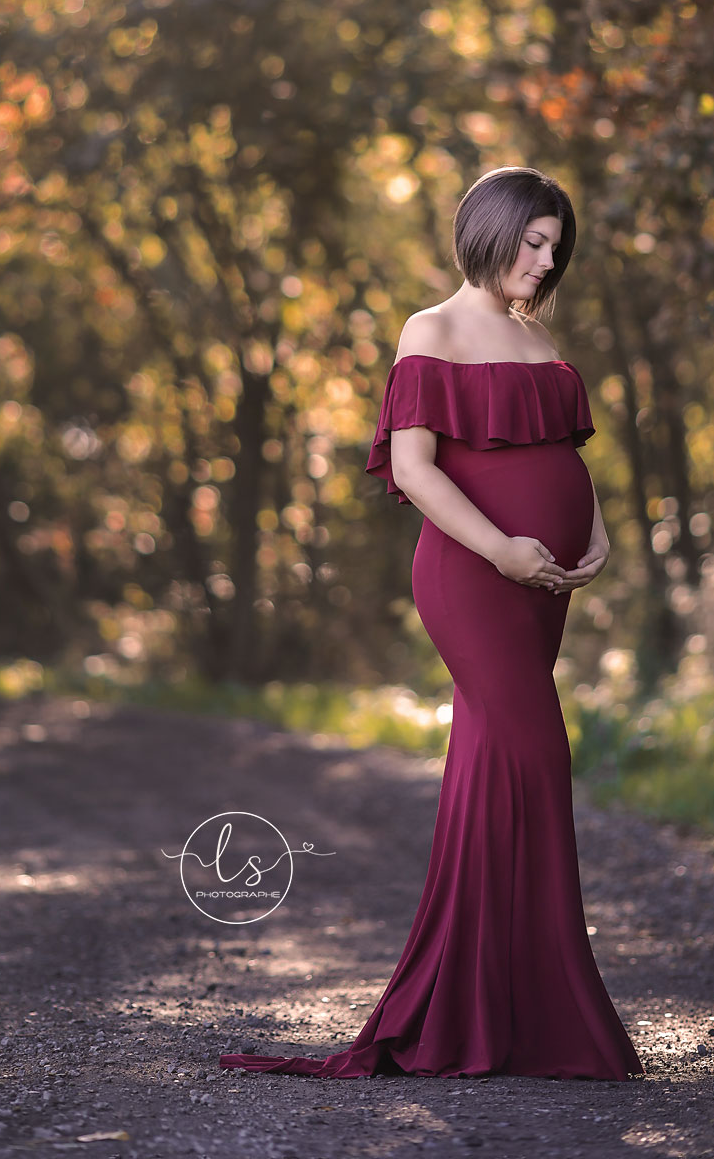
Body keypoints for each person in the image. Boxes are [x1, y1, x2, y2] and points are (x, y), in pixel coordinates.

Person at [219, 165, 646, 1080]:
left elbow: (565, 452)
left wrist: (597, 531)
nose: (544, 261)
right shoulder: (433, 328)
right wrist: (502, 549)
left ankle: (492, 1009)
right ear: (488, 233)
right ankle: (535, 1011)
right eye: (531, 243)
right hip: (474, 572)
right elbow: (414, 469)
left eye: (555, 248)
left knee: (492, 766)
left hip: (545, 580)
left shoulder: (540, 336)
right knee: (537, 753)